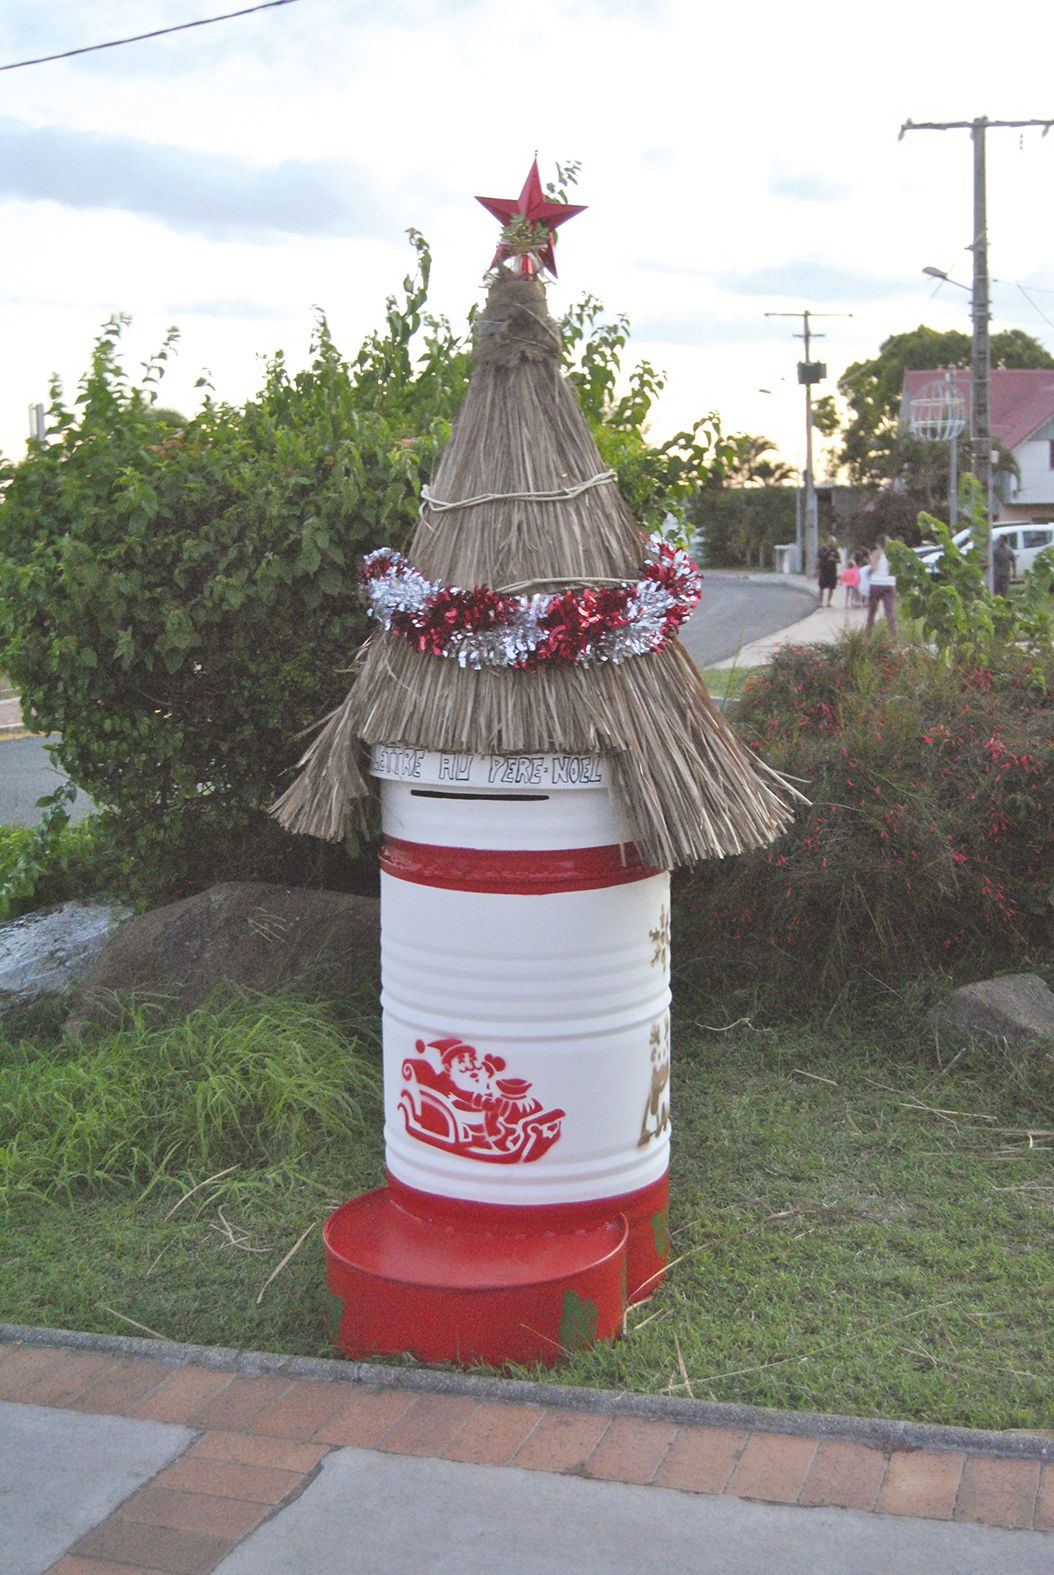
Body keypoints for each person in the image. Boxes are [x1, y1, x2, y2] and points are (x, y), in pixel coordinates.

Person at [866, 534, 897, 636]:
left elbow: (873, 568)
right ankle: (894, 635)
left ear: (878, 544)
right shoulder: (893, 554)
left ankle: (867, 635)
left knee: (872, 612)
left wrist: (868, 572)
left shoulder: (876, 553)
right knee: (890, 612)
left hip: (876, 584)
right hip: (889, 584)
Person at [816, 535, 840, 608]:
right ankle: (820, 602)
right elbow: (820, 557)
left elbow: (839, 560)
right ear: (828, 541)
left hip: (832, 571)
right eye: (831, 541)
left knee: (831, 587)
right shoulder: (822, 549)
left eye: (833, 542)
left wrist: (834, 560)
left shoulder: (835, 550)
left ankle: (829, 602)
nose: (832, 543)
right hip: (824, 570)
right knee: (822, 586)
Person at [993, 534, 1016, 598]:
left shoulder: (1009, 550)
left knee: (1005, 590)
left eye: (1002, 540)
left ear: (1005, 541)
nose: (1000, 541)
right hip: (997, 574)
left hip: (1006, 574)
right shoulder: (996, 550)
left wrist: (1014, 572)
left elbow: (1013, 560)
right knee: (996, 591)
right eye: (999, 540)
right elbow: (992, 561)